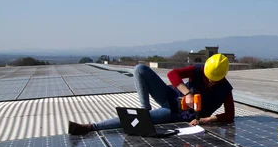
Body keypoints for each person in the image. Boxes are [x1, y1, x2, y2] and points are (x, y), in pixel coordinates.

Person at [68, 53, 235, 135]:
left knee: (140, 120)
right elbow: (173, 74)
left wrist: (209, 119)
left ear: (221, 77)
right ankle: (144, 109)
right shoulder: (199, 70)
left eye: (213, 80)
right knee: (140, 69)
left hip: (174, 113)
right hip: (168, 94)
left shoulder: (225, 89)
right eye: (207, 77)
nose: (208, 80)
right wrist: (187, 93)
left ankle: (91, 127)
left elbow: (230, 114)